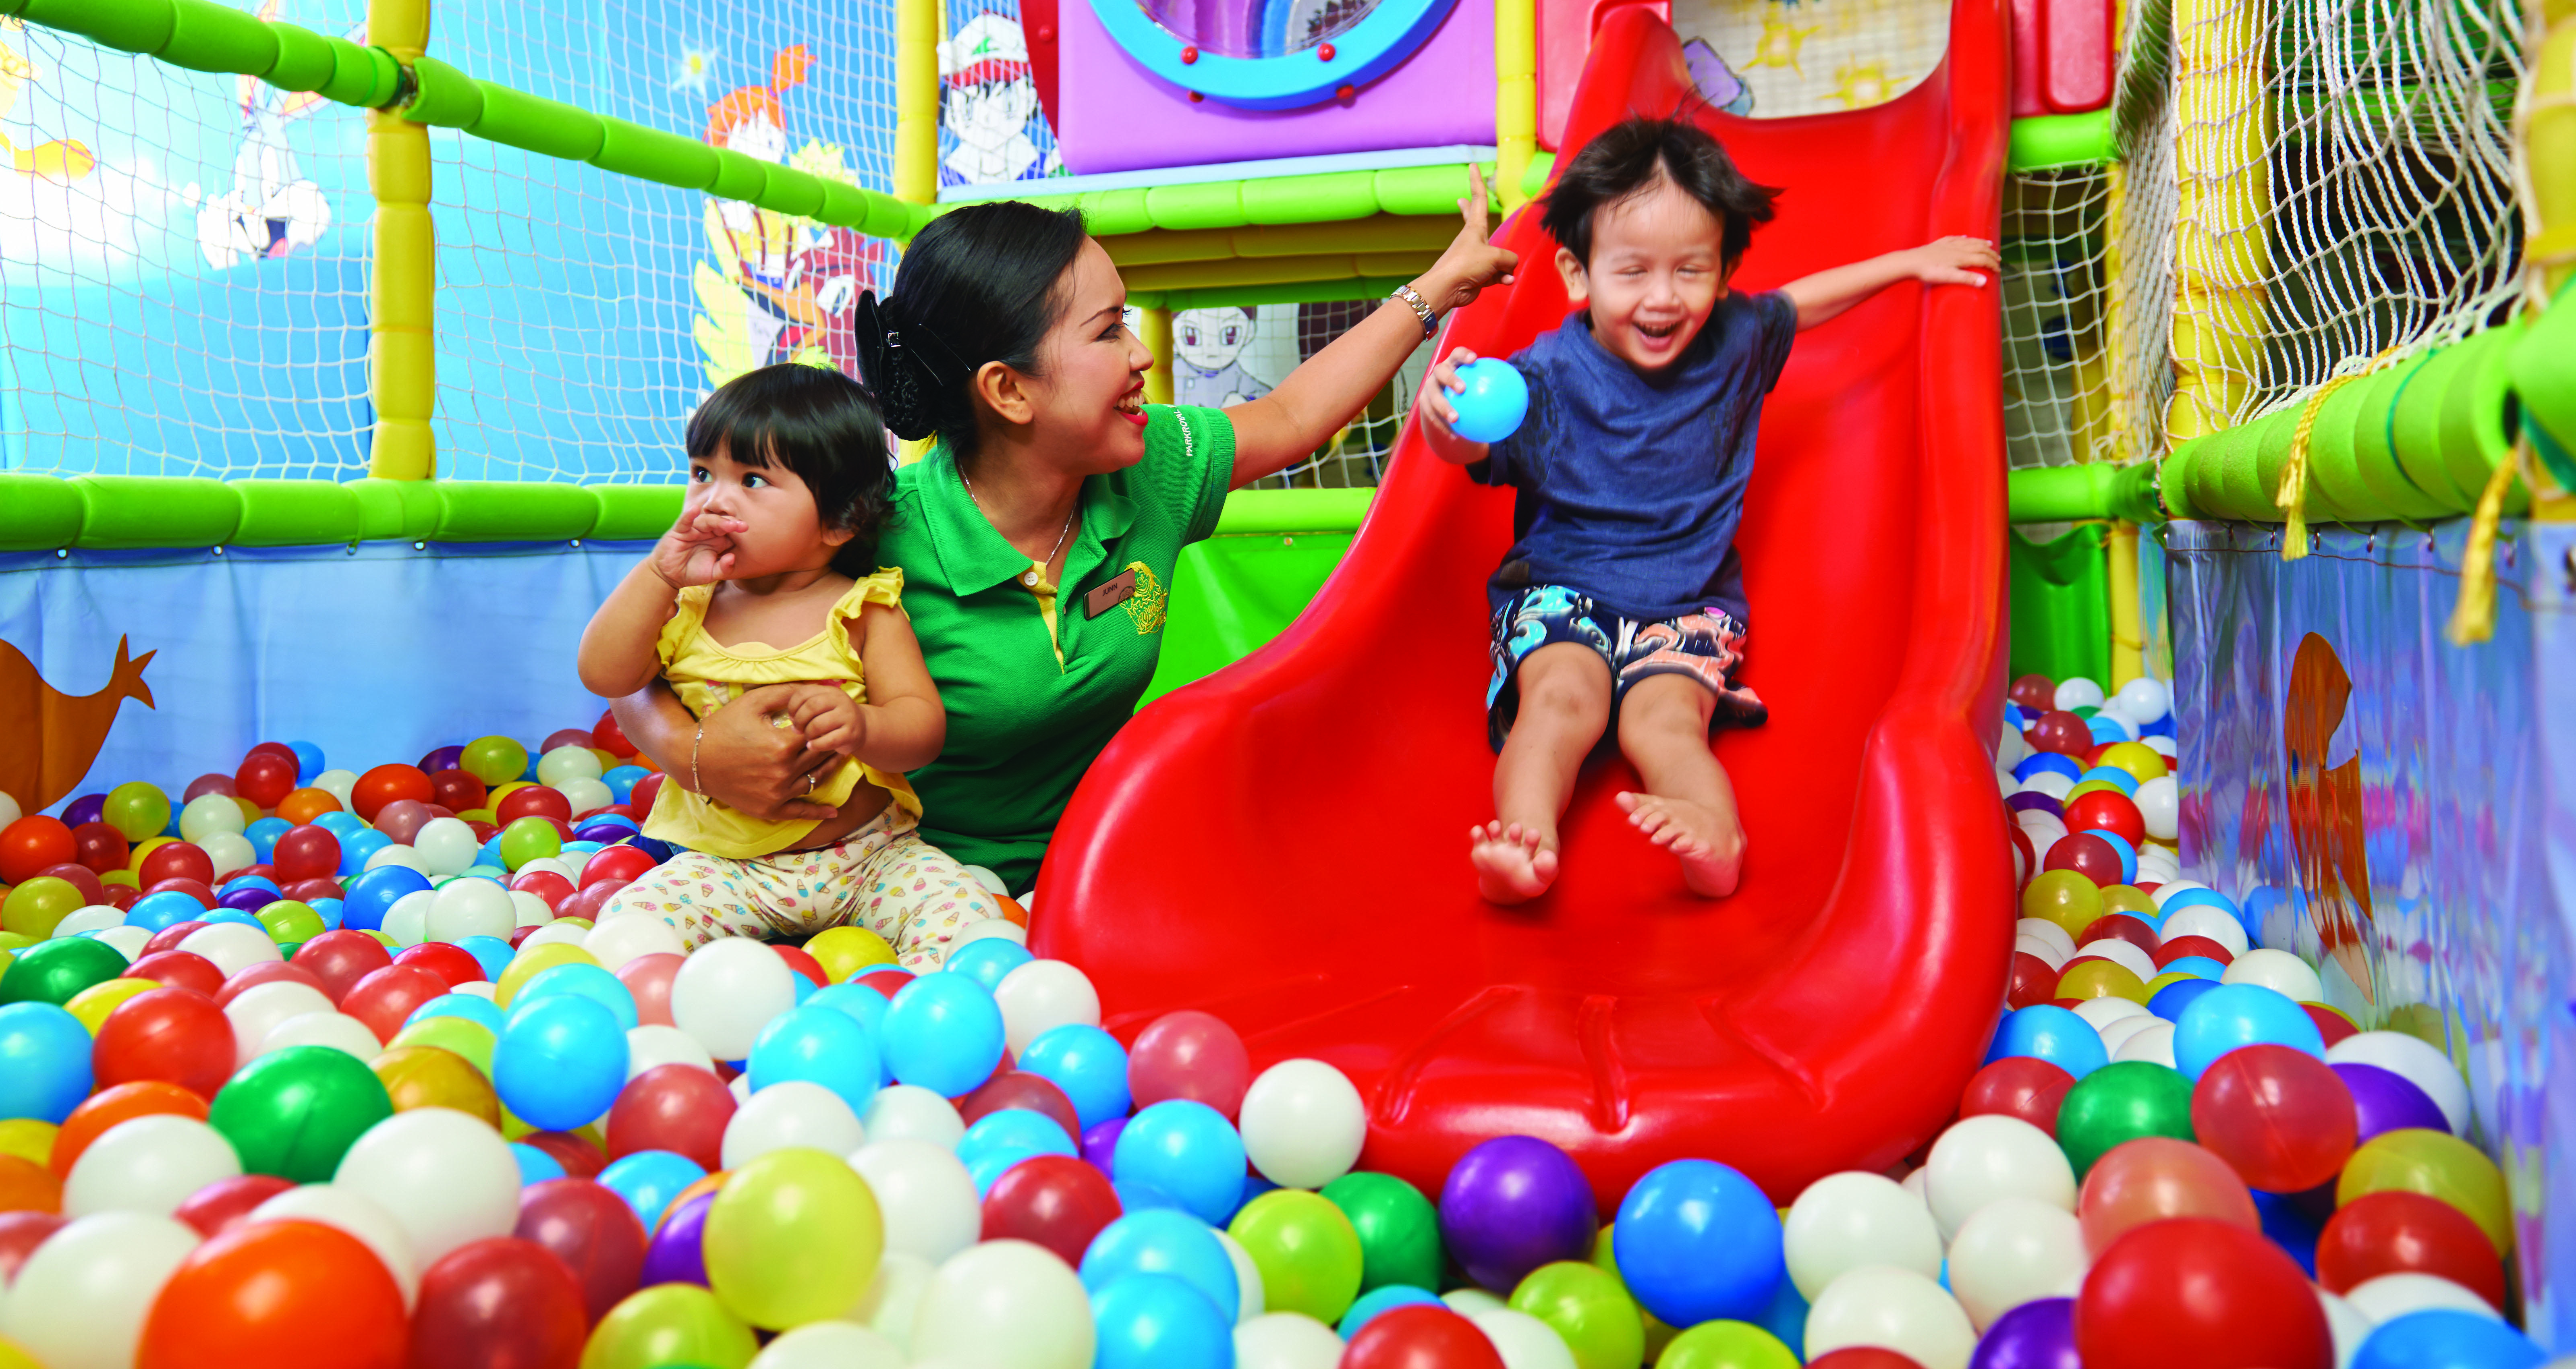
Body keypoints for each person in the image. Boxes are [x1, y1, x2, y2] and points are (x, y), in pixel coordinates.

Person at [614, 172, 1522, 932]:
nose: (1140, 357)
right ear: (1009, 390)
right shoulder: (876, 528)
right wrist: (694, 755)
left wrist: (1440, 287)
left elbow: (1289, 417)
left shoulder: (1149, 464)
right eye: (1107, 331)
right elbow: (649, 657)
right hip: (906, 881)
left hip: (1097, 862)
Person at [1416, 116, 1999, 906]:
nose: (1662, 297)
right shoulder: (1545, 376)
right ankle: (1525, 843)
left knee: (1663, 724)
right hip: (1562, 587)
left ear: (1723, 274)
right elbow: (1472, 453)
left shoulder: (1733, 341)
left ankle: (1713, 839)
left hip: (1688, 602)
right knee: (1561, 699)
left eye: (1690, 270)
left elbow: (1798, 301)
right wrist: (1438, 424)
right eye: (1632, 271)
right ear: (1578, 273)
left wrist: (1909, 264)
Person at [577, 364, 998, 963]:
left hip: (870, 858)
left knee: (968, 921)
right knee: (632, 931)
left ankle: (916, 1009)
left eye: (751, 480)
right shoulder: (684, 605)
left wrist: (864, 727)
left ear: (841, 521)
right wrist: (657, 575)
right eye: (701, 474)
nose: (713, 500)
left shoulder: (863, 610)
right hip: (724, 867)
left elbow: (921, 729)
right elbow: (604, 675)